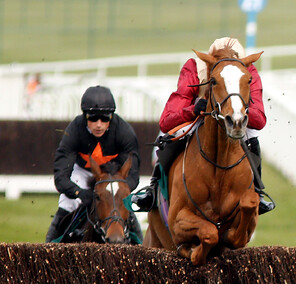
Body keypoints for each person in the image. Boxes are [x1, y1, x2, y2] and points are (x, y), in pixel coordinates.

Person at [131, 37, 274, 214]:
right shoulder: (194, 67)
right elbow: (167, 120)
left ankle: (258, 192)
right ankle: (152, 190)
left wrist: (239, 111)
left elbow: (259, 120)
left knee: (251, 135)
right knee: (167, 135)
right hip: (200, 116)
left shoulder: (249, 70)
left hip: (231, 116)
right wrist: (193, 109)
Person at [46, 85, 142, 242]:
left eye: (104, 118)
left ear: (111, 117)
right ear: (85, 117)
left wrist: (120, 190)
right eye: (93, 118)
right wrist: (80, 193)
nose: (99, 124)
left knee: (124, 205)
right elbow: (61, 177)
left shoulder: (124, 132)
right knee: (67, 203)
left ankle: (142, 247)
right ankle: (48, 247)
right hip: (83, 173)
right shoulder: (75, 130)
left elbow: (132, 176)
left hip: (113, 175)